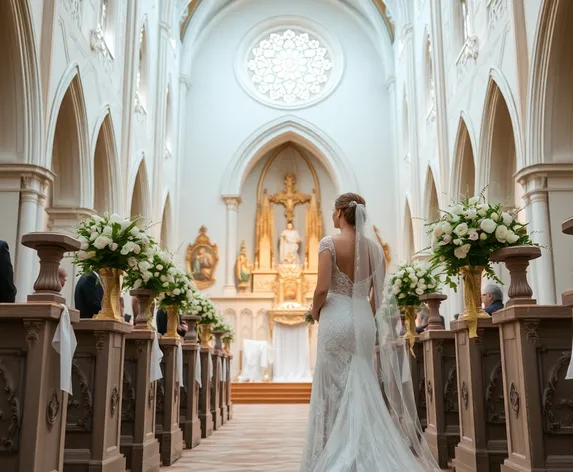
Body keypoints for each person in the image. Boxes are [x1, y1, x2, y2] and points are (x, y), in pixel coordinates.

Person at [300, 193, 439, 471]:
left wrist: (315, 311)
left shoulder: (329, 243)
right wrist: (365, 316)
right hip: (363, 318)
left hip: (335, 315)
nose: (331, 215)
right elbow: (377, 298)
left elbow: (322, 288)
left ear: (340, 212)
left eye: (332, 210)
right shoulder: (375, 250)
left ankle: (333, 450)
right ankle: (365, 447)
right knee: (361, 377)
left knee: (332, 383)